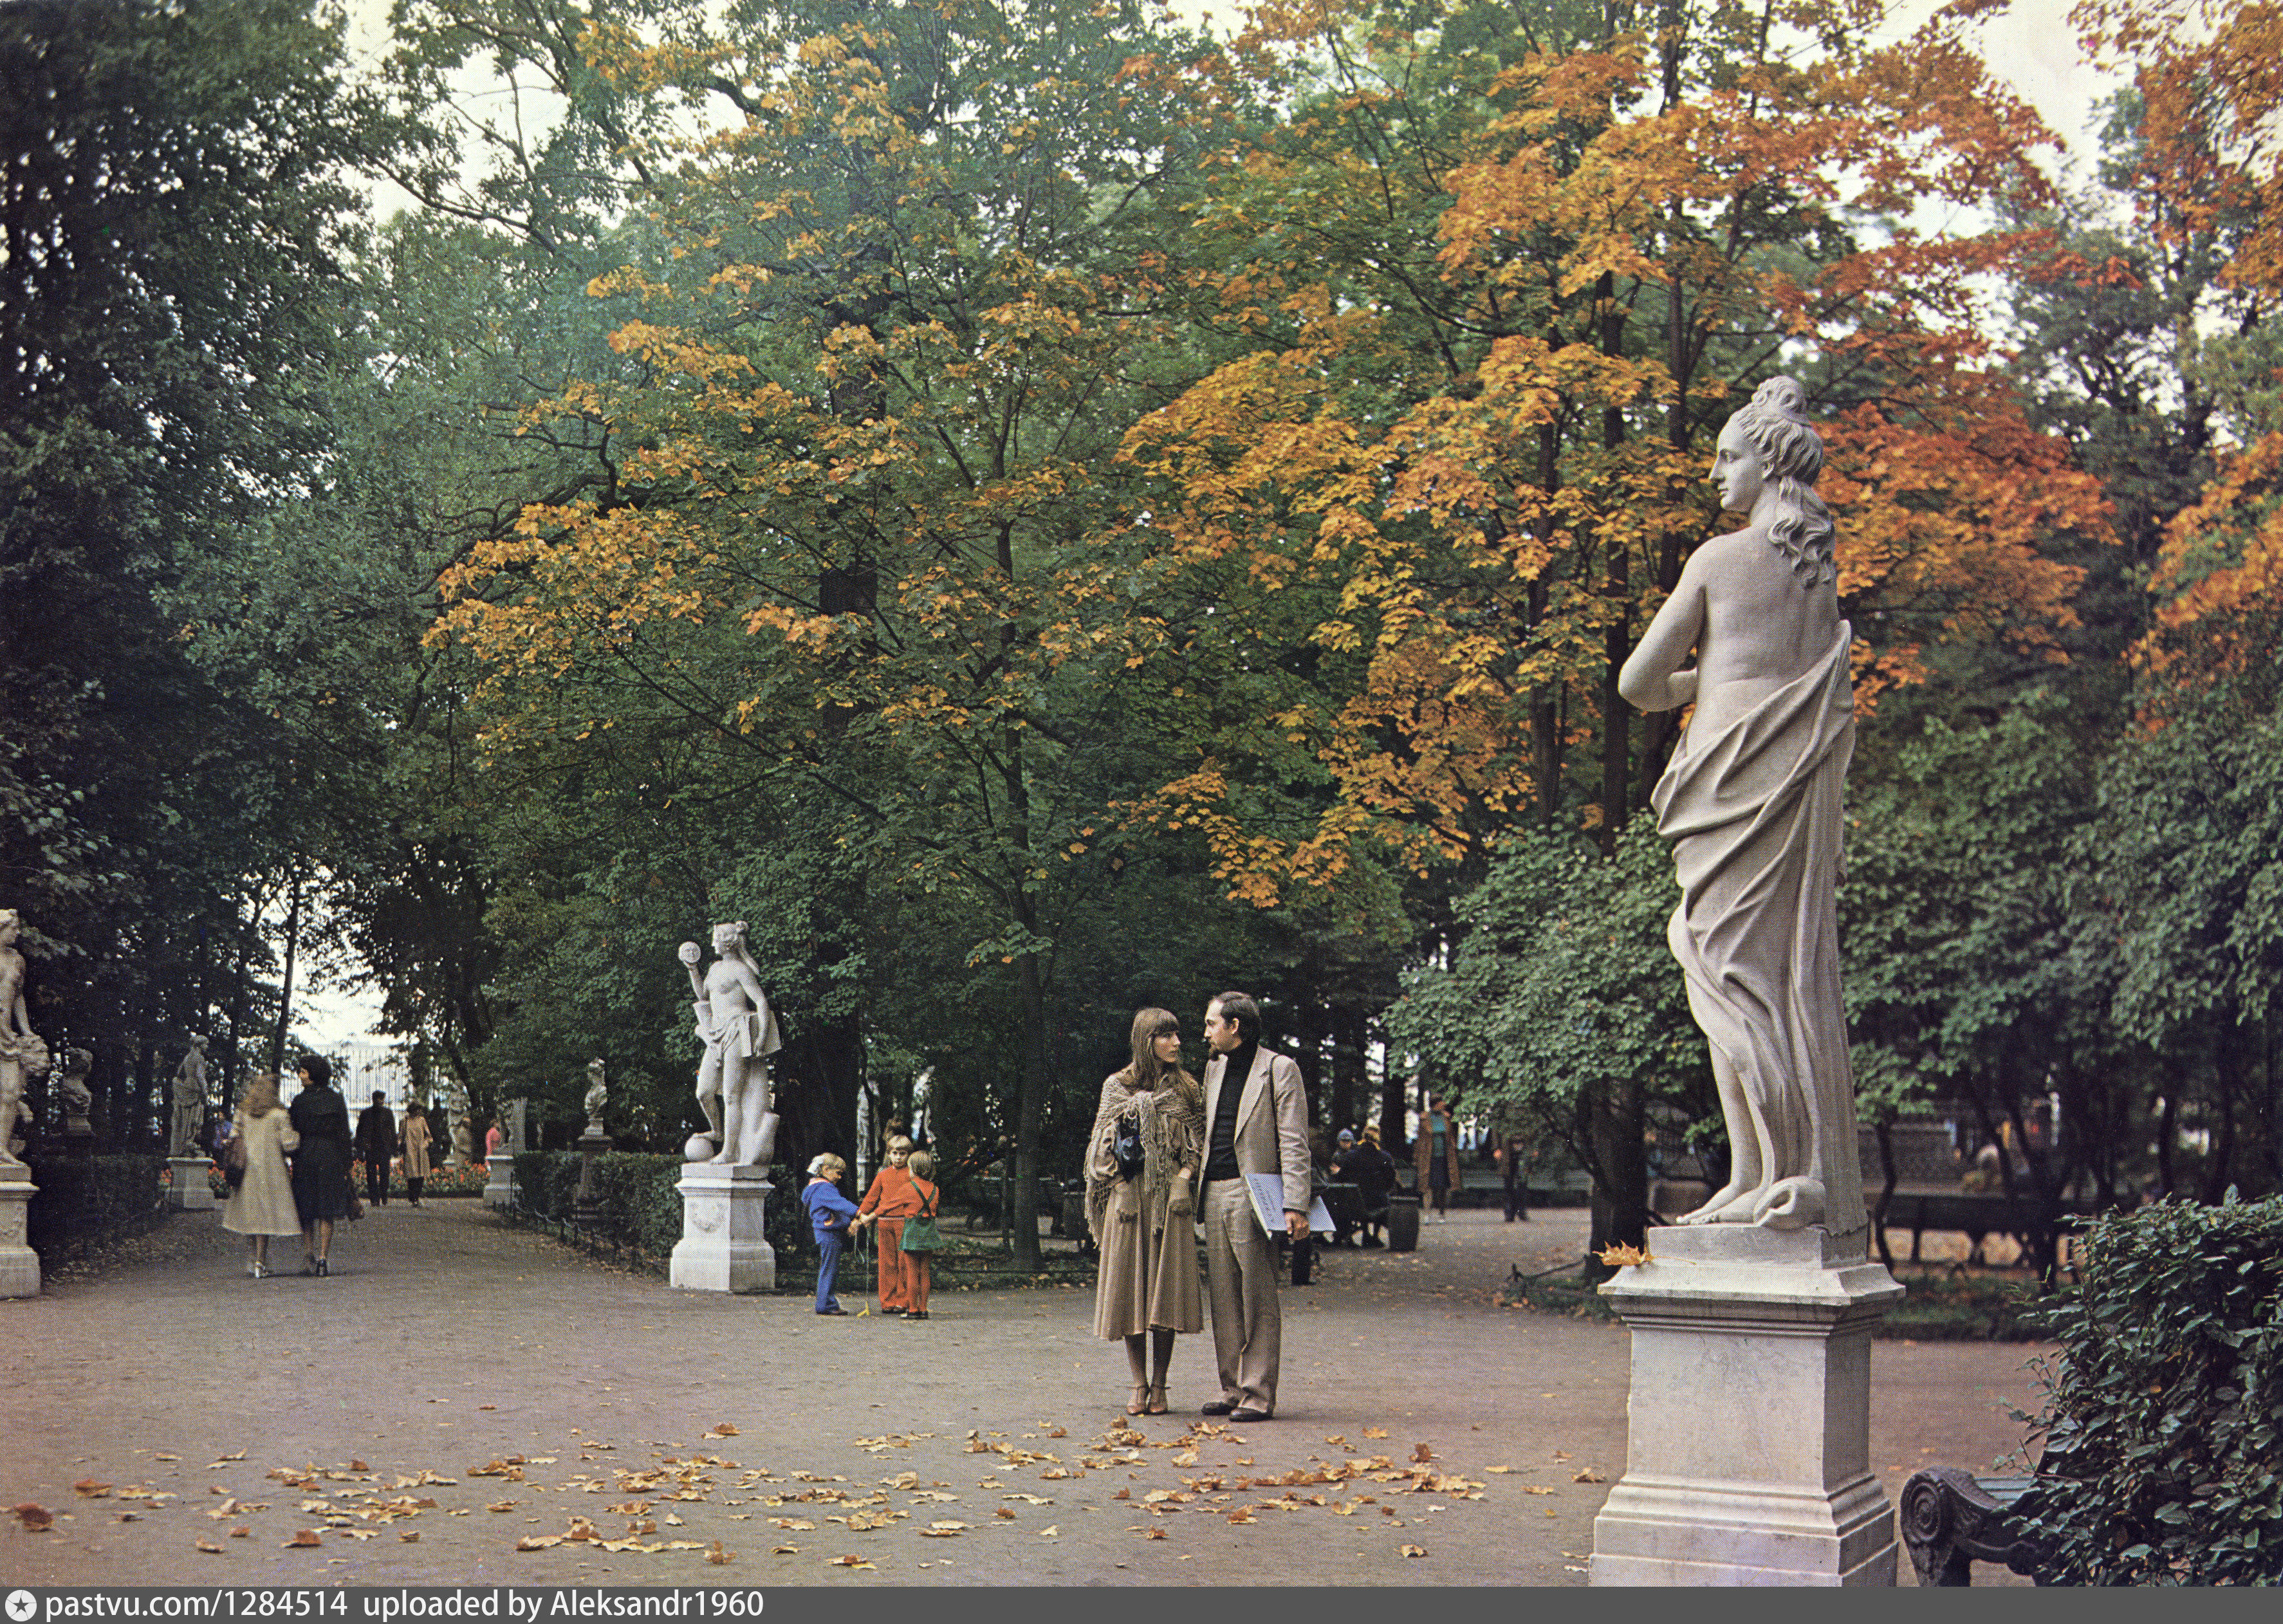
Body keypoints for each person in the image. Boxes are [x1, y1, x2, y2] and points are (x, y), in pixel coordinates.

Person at [1616, 374, 1867, 1235]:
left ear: (1766, 462)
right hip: (1789, 783)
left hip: (1726, 775)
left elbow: (1638, 682)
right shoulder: (1815, 575)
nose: (1715, 475)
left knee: (1722, 971)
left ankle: (1765, 1170)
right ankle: (1769, 1172)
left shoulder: (1718, 561)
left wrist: (1703, 680)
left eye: (1727, 458)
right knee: (1775, 974)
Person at [1084, 1007, 1206, 1417]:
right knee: (1131, 1292)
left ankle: (1160, 1383)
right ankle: (1138, 1382)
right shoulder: (1116, 1087)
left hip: (1171, 1201)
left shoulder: (1187, 1088)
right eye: (1164, 1036)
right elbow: (1099, 1150)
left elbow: (1197, 1145)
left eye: (1176, 1035)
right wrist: (1119, 1178)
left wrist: (1184, 1179)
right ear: (1144, 1039)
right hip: (1129, 1203)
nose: (1175, 1043)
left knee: (1164, 1293)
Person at [1197, 991, 1309, 1422]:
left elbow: (1294, 1140)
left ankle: (1258, 1393)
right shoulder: (1214, 1069)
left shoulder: (1279, 1069)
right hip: (1214, 1190)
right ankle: (1232, 1389)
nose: (1206, 1032)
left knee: (1257, 1293)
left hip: (1255, 1192)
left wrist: (1295, 1203)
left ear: (1234, 1026)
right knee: (1223, 1295)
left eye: (1212, 1023)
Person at [683, 923, 784, 1167]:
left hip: (737, 1031)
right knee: (704, 1092)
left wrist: (761, 1037)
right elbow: (702, 996)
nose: (712, 944)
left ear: (727, 941)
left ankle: (729, 1151)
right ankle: (717, 1131)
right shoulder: (715, 968)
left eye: (716, 939)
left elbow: (761, 1002)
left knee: (731, 1095)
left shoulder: (740, 969)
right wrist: (693, 970)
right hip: (715, 1033)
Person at [221, 1071, 300, 1277]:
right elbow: (289, 1143)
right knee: (265, 1217)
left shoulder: (242, 1113)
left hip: (246, 1169)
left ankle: (252, 1258)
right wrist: (298, 1136)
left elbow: (233, 1138)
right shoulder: (279, 1114)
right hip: (271, 1171)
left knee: (251, 1214)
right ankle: (260, 1262)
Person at [288, 1055, 355, 1275]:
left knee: (306, 1207)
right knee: (326, 1208)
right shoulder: (336, 1100)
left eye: (303, 1072)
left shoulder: (299, 1102)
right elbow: (345, 1133)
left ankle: (308, 1254)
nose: (300, 1075)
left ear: (313, 1075)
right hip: (331, 1155)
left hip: (306, 1155)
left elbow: (292, 1132)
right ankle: (324, 1259)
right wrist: (346, 1164)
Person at [853, 1134, 923, 1316]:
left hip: (905, 1223)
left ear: (909, 1155)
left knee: (904, 1262)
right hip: (884, 1224)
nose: (899, 1157)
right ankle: (887, 1301)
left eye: (903, 1153)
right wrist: (861, 1215)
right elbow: (871, 1197)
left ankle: (903, 1300)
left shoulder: (911, 1175)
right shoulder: (883, 1175)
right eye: (895, 1153)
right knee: (886, 1263)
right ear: (889, 1154)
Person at [0, 909, 50, 1167]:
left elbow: (18, 996)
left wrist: (26, 1030)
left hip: (6, 1038)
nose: (17, 934)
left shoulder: (16, 960)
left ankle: (2, 1150)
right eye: (13, 929)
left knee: (10, 1094)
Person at [802, 1152, 859, 1316]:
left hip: (825, 1232)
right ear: (826, 1170)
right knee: (829, 1268)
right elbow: (840, 1204)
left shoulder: (815, 1187)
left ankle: (827, 1302)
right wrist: (858, 1212)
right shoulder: (824, 1188)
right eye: (838, 1173)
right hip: (828, 1233)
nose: (840, 1177)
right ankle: (826, 1304)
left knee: (829, 1267)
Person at [900, 1149, 941, 1321]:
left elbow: (889, 1205)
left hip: (913, 1231)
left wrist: (869, 1215)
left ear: (914, 1169)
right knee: (925, 1272)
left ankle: (913, 1309)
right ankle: (924, 1308)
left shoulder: (908, 1188)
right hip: (929, 1231)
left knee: (912, 1272)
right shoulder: (935, 1189)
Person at [1342, 1125, 1398, 1246]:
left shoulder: (1351, 1156)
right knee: (1381, 1197)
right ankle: (1375, 1236)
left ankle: (1366, 1234)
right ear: (1378, 1138)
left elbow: (1343, 1176)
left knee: (1361, 1196)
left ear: (1363, 1136)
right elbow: (1391, 1179)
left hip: (1356, 1203)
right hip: (1379, 1201)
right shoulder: (1385, 1157)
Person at [1415, 1095, 1459, 1222]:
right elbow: (1420, 1140)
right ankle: (1427, 1214)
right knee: (1427, 1186)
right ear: (1436, 1104)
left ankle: (1441, 1213)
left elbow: (1451, 1138)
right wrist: (1417, 1157)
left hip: (1444, 1156)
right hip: (1428, 1157)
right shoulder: (1424, 1119)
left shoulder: (1446, 1118)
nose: (1444, 1104)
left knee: (1442, 1186)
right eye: (1442, 1102)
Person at [356, 1091, 397, 1208]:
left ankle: (383, 1195)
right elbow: (359, 1132)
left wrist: (394, 1147)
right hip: (371, 1148)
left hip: (384, 1148)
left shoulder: (388, 1113)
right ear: (373, 1099)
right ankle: (374, 1198)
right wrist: (360, 1148)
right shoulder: (366, 1113)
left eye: (382, 1098)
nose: (380, 1101)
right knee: (371, 1174)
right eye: (378, 1098)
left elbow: (393, 1131)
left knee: (385, 1174)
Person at [169, 1036, 208, 1158]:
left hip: (187, 1087)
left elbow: (179, 1074)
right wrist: (205, 1091)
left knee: (186, 1117)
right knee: (193, 1118)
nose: (207, 1047)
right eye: (206, 1044)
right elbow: (200, 1076)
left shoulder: (187, 1058)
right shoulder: (199, 1058)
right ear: (199, 1045)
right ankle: (188, 1142)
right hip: (195, 1089)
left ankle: (185, 1143)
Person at [1495, 1126, 1533, 1222]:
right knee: (1508, 1183)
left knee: (1523, 1182)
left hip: (1524, 1145)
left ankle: (1521, 1211)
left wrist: (1534, 1147)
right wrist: (1497, 1147)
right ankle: (1509, 1213)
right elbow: (1496, 1126)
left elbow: (1533, 1126)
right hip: (1507, 1148)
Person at [400, 1100, 433, 1206]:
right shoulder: (405, 1121)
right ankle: (412, 1196)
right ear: (412, 1110)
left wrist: (425, 1144)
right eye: (417, 1109)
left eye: (420, 1109)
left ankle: (416, 1197)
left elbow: (429, 1136)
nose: (419, 1111)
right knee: (411, 1175)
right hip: (410, 1150)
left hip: (421, 1150)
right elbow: (400, 1136)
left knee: (420, 1174)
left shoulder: (422, 1120)